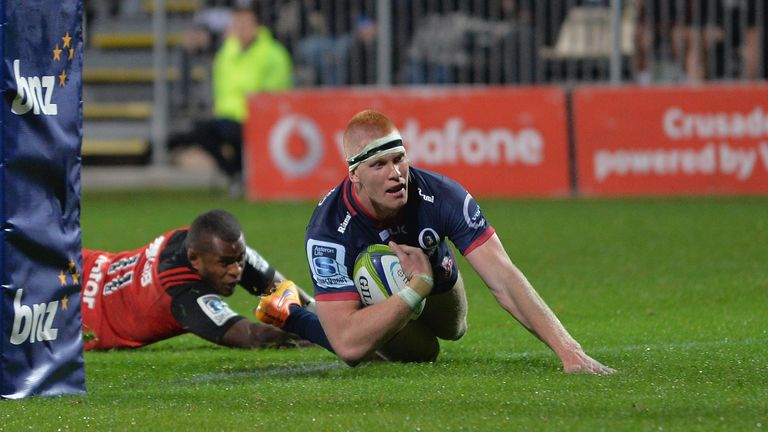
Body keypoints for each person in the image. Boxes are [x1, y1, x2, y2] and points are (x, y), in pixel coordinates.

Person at [261, 109, 614, 372]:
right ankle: (291, 311)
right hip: (397, 291)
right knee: (422, 353)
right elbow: (348, 345)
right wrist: (416, 286)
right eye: (379, 165)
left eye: (399, 159)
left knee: (455, 329)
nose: (395, 174)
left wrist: (569, 351)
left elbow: (504, 277)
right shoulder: (328, 231)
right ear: (354, 174)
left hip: (436, 280)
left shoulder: (442, 195)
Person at [80, 209, 331, 351]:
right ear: (194, 258)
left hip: (90, 265)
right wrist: (324, 338)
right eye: (225, 264)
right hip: (80, 314)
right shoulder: (180, 292)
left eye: (240, 259)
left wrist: (334, 321)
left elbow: (283, 292)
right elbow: (250, 336)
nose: (236, 271)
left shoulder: (205, 245)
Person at [196, 5, 293, 197]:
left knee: (233, 133)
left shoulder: (273, 54)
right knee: (201, 132)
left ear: (257, 26)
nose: (241, 29)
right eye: (237, 24)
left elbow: (275, 93)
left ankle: (241, 176)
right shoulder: (226, 52)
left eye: (245, 24)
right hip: (228, 115)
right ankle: (236, 174)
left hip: (260, 117)